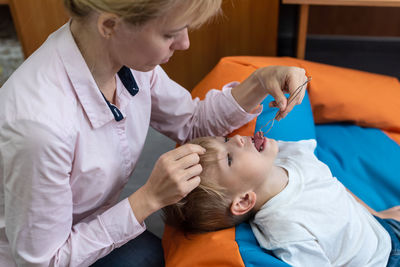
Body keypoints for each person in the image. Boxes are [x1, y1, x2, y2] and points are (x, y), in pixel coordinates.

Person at [0, 0, 309, 266]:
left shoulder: (120, 59)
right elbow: (41, 260)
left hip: (86, 224)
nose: (185, 43)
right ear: (110, 25)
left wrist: (258, 82)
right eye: (170, 34)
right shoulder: (40, 129)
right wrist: (147, 199)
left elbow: (191, 123)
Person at [163, 134, 400, 267]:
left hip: (383, 229)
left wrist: (379, 215)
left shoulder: (292, 153)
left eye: (224, 139)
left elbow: (333, 187)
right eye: (230, 159)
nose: (236, 138)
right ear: (244, 201)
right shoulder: (285, 229)